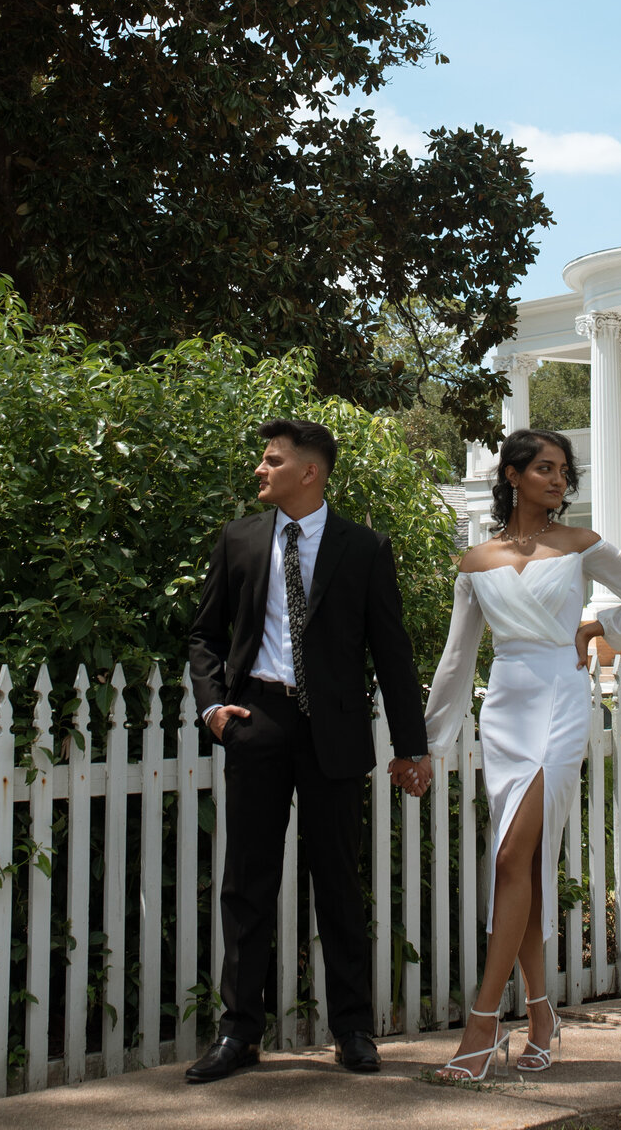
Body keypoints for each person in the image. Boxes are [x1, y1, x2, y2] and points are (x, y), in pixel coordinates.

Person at [185, 417, 431, 1084]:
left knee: (340, 885)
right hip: (256, 721)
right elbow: (204, 634)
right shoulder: (239, 538)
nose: (260, 470)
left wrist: (413, 746)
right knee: (246, 883)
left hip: (336, 731)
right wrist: (213, 707)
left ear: (310, 472)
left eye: (272, 460)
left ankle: (352, 1030)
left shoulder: (363, 547)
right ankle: (239, 1033)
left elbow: (392, 651)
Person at [423, 427, 621, 1083]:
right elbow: (455, 663)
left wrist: (597, 627)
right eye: (544, 468)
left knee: (510, 857)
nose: (559, 480)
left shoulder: (580, 544)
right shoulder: (475, 561)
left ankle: (480, 1031)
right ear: (512, 475)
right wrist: (426, 745)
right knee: (522, 865)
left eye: (564, 470)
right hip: (504, 709)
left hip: (561, 703)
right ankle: (540, 1017)